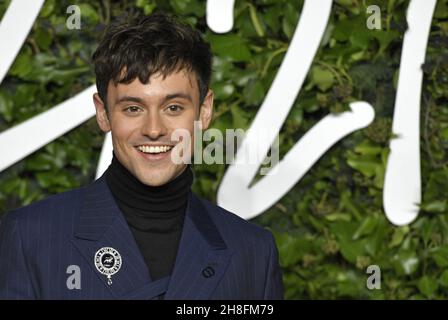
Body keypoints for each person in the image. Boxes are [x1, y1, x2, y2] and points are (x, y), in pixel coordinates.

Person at [0, 12, 283, 300]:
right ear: (103, 113)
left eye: (173, 107)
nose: (154, 130)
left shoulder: (254, 253)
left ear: (204, 110)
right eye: (133, 108)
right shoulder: (31, 237)